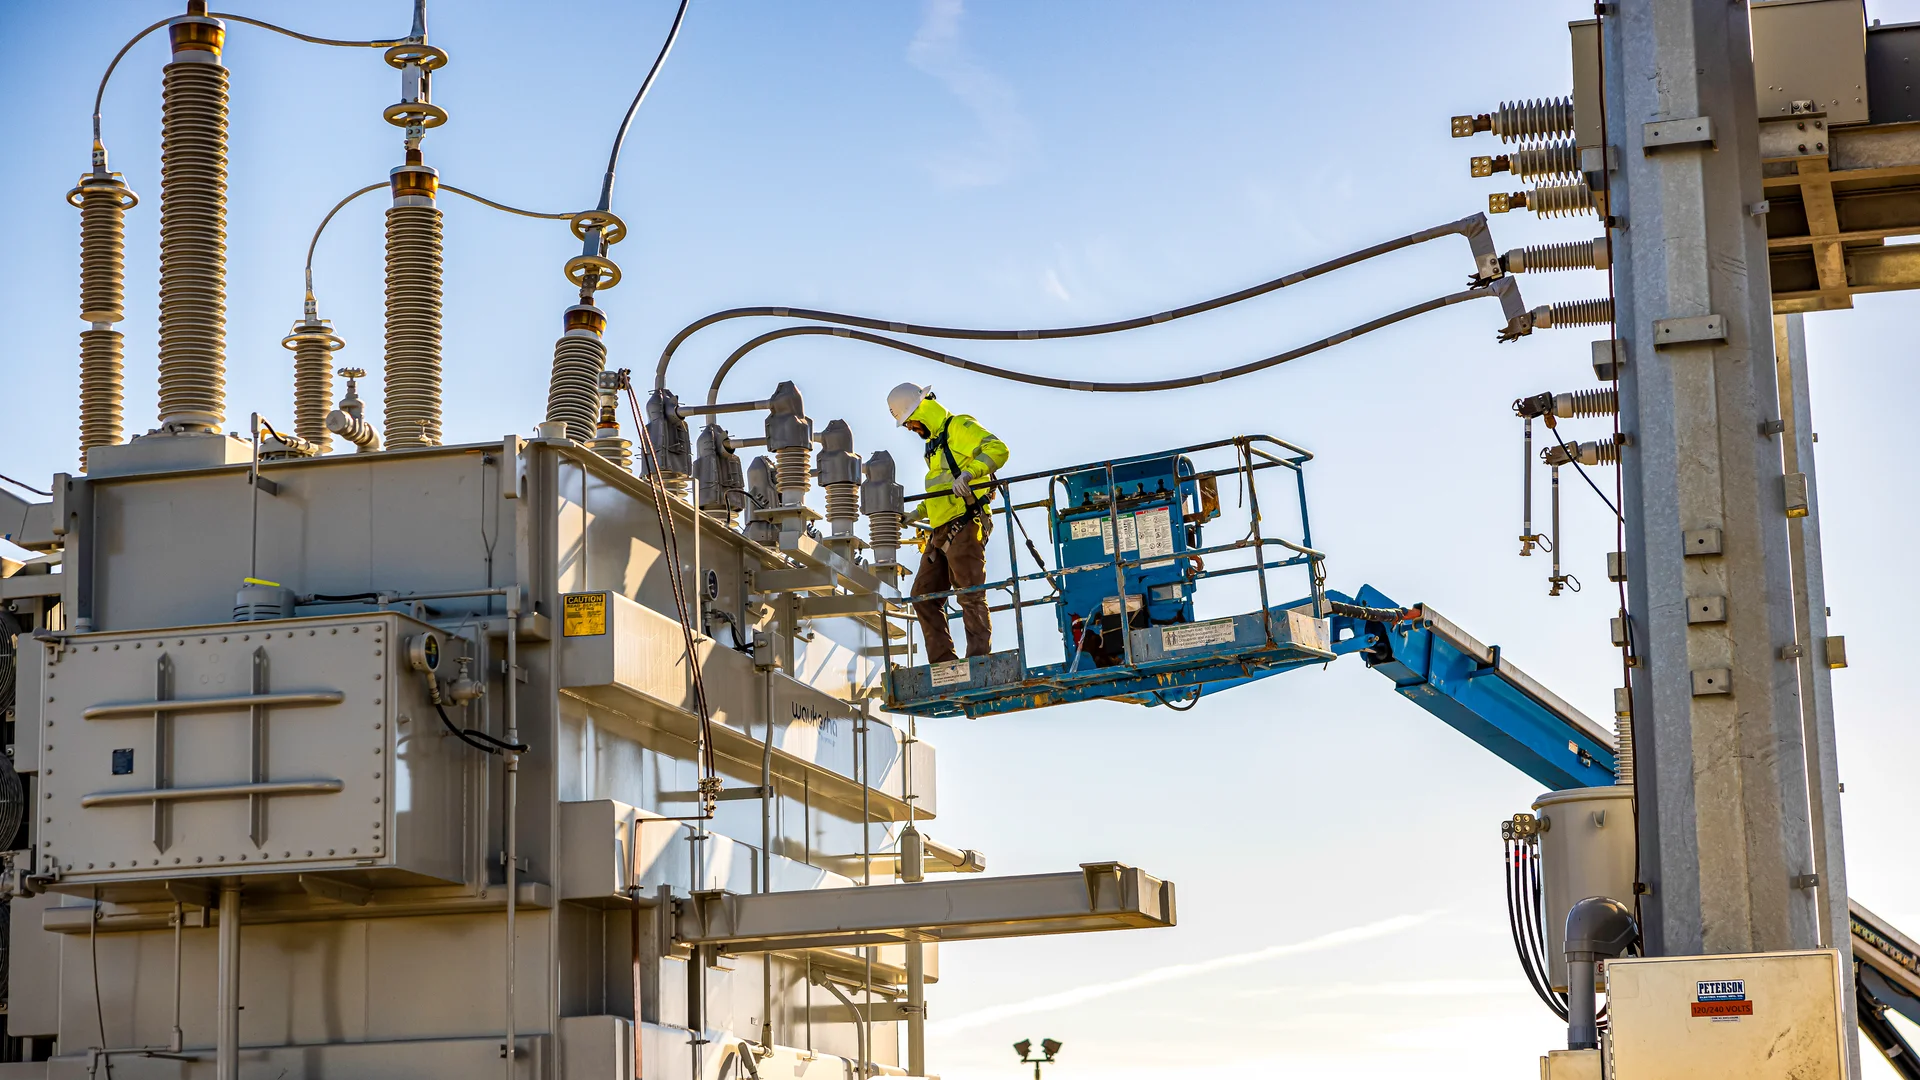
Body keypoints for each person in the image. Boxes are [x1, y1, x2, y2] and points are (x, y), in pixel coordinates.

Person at [888, 382, 1009, 664]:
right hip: (941, 531)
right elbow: (941, 492)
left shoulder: (959, 427)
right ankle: (944, 664)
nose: (910, 428)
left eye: (910, 422)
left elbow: (998, 449)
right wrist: (917, 514)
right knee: (923, 595)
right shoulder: (934, 448)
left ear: (922, 411)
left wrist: (969, 474)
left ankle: (978, 661)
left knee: (969, 593)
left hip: (965, 524)